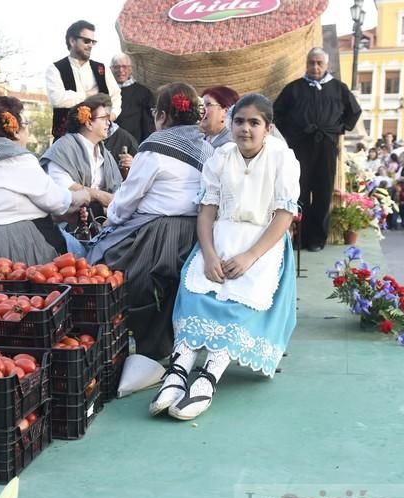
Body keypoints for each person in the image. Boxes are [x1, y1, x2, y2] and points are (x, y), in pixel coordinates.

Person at [150, 93, 299, 420]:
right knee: (195, 291)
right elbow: (206, 212)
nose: (245, 129)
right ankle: (178, 370)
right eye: (239, 121)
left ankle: (208, 376)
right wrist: (208, 253)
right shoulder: (220, 157)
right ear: (230, 124)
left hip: (263, 241)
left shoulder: (282, 158)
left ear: (268, 127)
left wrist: (250, 256)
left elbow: (284, 216)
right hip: (220, 236)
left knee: (238, 298)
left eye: (254, 123)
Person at [87, 82, 213, 359]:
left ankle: (133, 347)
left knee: (100, 263)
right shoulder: (207, 148)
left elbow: (128, 198)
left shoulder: (155, 147)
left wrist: (111, 221)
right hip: (195, 234)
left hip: (156, 233)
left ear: (164, 116)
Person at [0, 96, 90, 273]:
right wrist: (85, 195)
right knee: (86, 254)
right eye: (26, 124)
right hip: (18, 245)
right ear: (17, 131)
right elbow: (56, 202)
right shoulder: (19, 160)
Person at [273, 47, 361, 251]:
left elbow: (354, 112)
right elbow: (277, 114)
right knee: (299, 190)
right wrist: (291, 133)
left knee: (323, 192)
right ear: (307, 64)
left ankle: (316, 240)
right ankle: (298, 237)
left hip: (327, 147)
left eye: (319, 63)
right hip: (300, 147)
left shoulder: (338, 88)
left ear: (326, 65)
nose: (315, 66)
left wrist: (339, 128)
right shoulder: (294, 88)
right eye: (311, 62)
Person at [40, 93, 123, 221]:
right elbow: (61, 184)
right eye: (104, 118)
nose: (109, 123)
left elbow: (118, 188)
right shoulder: (64, 147)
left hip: (101, 220)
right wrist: (98, 195)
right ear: (89, 123)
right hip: (67, 220)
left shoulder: (104, 153)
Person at [45, 20, 122, 140]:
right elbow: (57, 99)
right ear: (72, 41)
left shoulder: (101, 68)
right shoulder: (55, 69)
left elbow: (116, 96)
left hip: (99, 139)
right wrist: (89, 97)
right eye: (86, 41)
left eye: (93, 42)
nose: (90, 45)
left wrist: (112, 115)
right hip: (66, 138)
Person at [110, 53, 154, 143]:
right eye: (116, 67)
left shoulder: (143, 92)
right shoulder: (105, 91)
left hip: (135, 143)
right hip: (110, 143)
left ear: (130, 70)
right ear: (111, 69)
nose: (120, 70)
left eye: (124, 67)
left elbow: (148, 124)